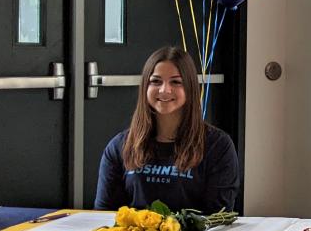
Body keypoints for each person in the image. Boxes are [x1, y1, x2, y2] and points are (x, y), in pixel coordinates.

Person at [95, 47, 239, 214]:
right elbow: (103, 214)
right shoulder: (119, 146)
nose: (164, 90)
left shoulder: (218, 146)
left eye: (176, 82)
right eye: (155, 81)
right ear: (145, 87)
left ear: (190, 88)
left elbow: (218, 217)